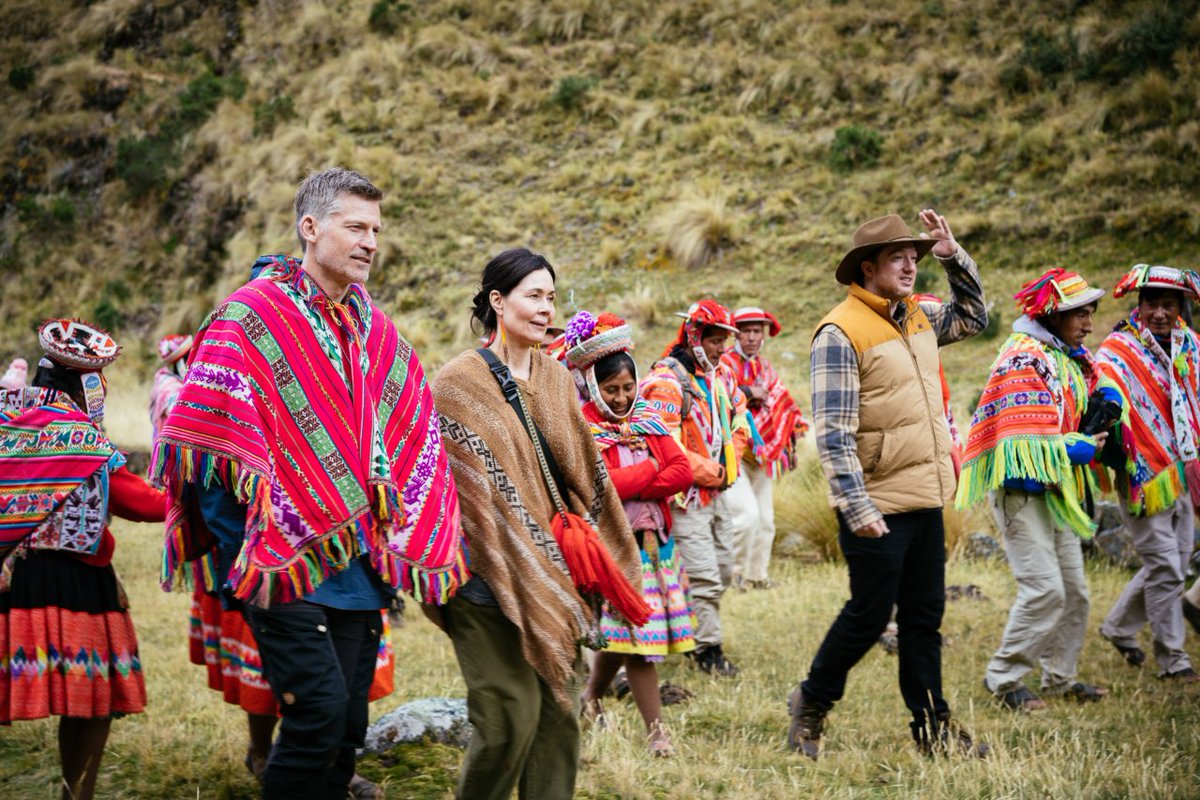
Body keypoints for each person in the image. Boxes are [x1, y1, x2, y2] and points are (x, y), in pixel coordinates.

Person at [152, 167, 464, 799]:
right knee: (314, 717)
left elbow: (412, 429)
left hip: (358, 570)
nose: (371, 241)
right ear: (311, 227)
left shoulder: (375, 330)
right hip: (281, 564)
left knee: (346, 729)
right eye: (356, 227)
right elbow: (207, 439)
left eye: (376, 229)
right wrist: (249, 543)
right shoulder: (249, 319)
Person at [430, 249, 645, 800]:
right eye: (533, 296)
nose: (545, 308)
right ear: (498, 302)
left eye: (550, 297)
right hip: (483, 579)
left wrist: (609, 549)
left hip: (554, 571)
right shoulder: (458, 384)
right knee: (507, 723)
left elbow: (584, 468)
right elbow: (447, 486)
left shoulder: (554, 377)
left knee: (558, 717)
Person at [790, 210, 987, 760]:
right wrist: (857, 508)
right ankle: (810, 704)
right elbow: (831, 433)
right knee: (868, 616)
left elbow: (974, 318)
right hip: (874, 503)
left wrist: (953, 257)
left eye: (915, 258)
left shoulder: (918, 317)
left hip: (924, 495)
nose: (910, 266)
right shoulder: (839, 332)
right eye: (899, 258)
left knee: (924, 620)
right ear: (868, 267)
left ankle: (933, 728)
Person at [0, 318, 166, 800]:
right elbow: (141, 502)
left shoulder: (9, 420)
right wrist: (195, 486)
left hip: (13, 576)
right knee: (88, 704)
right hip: (76, 584)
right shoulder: (83, 439)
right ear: (87, 387)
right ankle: (78, 794)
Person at [957, 268, 1113, 711]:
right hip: (1020, 491)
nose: (1087, 323)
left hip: (1055, 487)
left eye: (1089, 312)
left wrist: (1104, 406)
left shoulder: (1068, 356)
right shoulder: (1023, 358)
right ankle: (1004, 679)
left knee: (1075, 591)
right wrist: (1075, 447)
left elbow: (1076, 404)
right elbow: (1019, 439)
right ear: (1051, 315)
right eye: (1077, 314)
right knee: (1045, 589)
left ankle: (1060, 677)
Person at [565, 311, 695, 757]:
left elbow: (681, 472)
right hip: (613, 550)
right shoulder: (583, 427)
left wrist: (636, 478)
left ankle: (592, 696)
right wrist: (649, 471)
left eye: (627, 388)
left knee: (626, 636)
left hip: (654, 547)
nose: (621, 399)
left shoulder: (648, 420)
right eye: (611, 390)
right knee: (639, 642)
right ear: (592, 388)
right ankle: (656, 731)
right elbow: (595, 486)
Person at [1095, 264, 1200, 682]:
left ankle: (1118, 627)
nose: (1159, 312)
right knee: (1168, 569)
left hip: (1182, 469)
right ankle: (1173, 659)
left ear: (1181, 308)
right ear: (1139, 305)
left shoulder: (1190, 345)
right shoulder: (1116, 351)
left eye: (1168, 305)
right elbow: (1103, 401)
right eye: (1152, 304)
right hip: (1140, 473)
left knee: (1172, 562)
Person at [641, 300, 749, 676]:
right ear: (693, 336)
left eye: (725, 341)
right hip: (684, 498)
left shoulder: (721, 377)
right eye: (715, 339)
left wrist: (729, 462)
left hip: (716, 490)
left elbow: (740, 418)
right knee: (704, 572)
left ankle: (689, 630)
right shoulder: (666, 385)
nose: (722, 348)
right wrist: (713, 471)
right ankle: (707, 650)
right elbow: (665, 449)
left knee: (722, 568)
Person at [719, 306, 809, 589]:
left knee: (766, 520)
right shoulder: (724, 364)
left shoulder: (765, 368)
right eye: (745, 331)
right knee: (746, 515)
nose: (752, 337)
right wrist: (748, 393)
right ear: (735, 335)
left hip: (763, 455)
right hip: (733, 453)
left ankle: (757, 576)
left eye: (757, 331)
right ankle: (731, 574)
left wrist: (788, 447)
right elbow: (720, 396)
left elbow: (783, 406)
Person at [149, 333, 192, 439]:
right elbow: (178, 413)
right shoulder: (168, 386)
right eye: (188, 359)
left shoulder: (176, 382)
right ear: (179, 363)